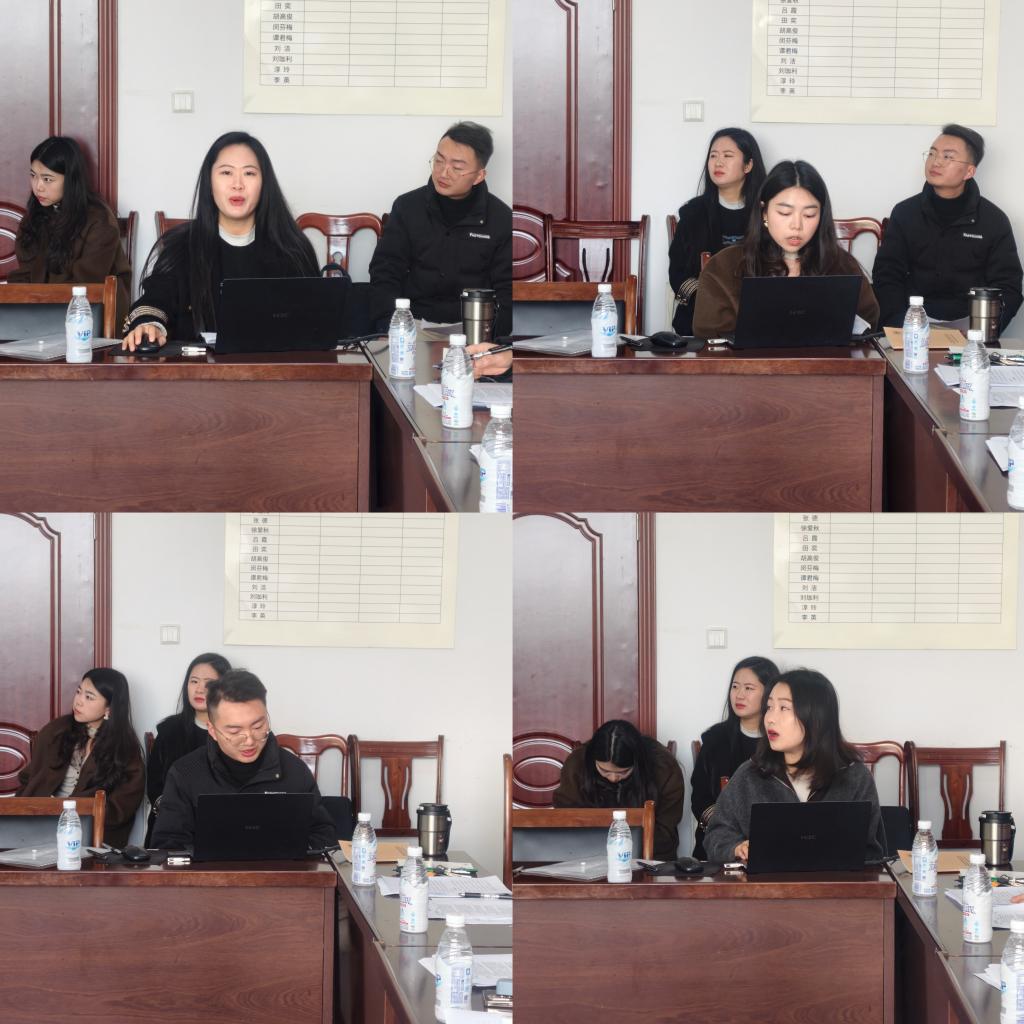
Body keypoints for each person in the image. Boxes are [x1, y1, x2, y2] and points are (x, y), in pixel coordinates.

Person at [122, 131, 318, 349]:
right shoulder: (181, 246)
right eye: (226, 172)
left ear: (264, 183)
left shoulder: (292, 248)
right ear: (209, 181)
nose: (237, 184)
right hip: (197, 369)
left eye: (249, 173)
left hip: (276, 369)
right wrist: (149, 325)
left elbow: (316, 322)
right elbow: (155, 301)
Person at [369, 121, 512, 377]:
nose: (443, 173)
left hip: (475, 336)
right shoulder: (408, 207)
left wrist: (496, 345)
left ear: (479, 175)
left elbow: (507, 290)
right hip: (415, 328)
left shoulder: (501, 219)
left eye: (457, 167)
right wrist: (388, 328)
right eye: (439, 161)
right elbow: (385, 272)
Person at [703, 669, 883, 866]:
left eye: (783, 708)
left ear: (816, 717)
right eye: (769, 707)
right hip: (766, 885)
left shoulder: (854, 776)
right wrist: (735, 848)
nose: (770, 718)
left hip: (835, 885)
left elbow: (872, 852)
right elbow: (716, 835)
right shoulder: (750, 774)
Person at [151, 669, 336, 850]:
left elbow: (324, 835)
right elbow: (167, 845)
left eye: (258, 726)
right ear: (212, 730)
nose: (249, 740)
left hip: (279, 871)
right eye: (234, 731)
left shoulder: (295, 771)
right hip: (210, 871)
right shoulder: (185, 774)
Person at [693, 160, 880, 338]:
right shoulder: (724, 267)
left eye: (809, 215)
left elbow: (867, 326)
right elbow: (710, 339)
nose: (796, 225)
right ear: (764, 212)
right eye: (785, 213)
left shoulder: (843, 265)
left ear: (821, 216)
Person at [872, 124, 1023, 330]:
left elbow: (1008, 286)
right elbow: (887, 274)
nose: (936, 162)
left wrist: (985, 330)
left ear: (969, 171)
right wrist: (899, 324)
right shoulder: (905, 213)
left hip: (971, 328)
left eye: (948, 157)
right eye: (932, 154)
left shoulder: (993, 220)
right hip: (912, 325)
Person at [17, 668, 145, 848]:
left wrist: (77, 813)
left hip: (91, 834)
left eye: (89, 697)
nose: (78, 701)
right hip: (39, 826)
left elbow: (123, 805)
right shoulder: (56, 731)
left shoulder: (124, 747)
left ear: (109, 708)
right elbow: (29, 779)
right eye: (78, 692)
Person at [9, 136, 131, 323]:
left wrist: (38, 305)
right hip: (43, 308)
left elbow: (86, 285)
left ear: (70, 180)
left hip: (92, 311)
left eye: (47, 179)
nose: (38, 187)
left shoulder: (99, 220)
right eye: (33, 175)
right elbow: (25, 273)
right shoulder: (35, 213)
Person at [668, 128, 766, 336]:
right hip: (700, 319)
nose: (718, 163)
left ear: (748, 165)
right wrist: (710, 303)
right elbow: (677, 273)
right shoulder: (693, 213)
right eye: (713, 156)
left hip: (756, 319)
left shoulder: (766, 213)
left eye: (727, 156)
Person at [554, 719, 684, 861]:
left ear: (637, 763)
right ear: (593, 761)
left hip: (651, 856)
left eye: (623, 772)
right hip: (587, 856)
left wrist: (623, 848)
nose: (613, 778)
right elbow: (566, 820)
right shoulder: (577, 764)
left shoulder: (664, 767)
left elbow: (666, 831)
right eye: (604, 771)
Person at [690, 655, 778, 859]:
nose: (739, 695)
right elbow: (700, 798)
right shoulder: (715, 739)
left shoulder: (780, 741)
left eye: (749, 688)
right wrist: (730, 835)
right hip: (719, 847)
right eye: (735, 687)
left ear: (769, 694)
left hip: (770, 844)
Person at [144, 652, 232, 845]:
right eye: (194, 681)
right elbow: (155, 785)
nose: (199, 689)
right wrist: (171, 809)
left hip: (220, 824)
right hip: (173, 823)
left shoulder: (233, 731)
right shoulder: (169, 730)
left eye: (209, 683)